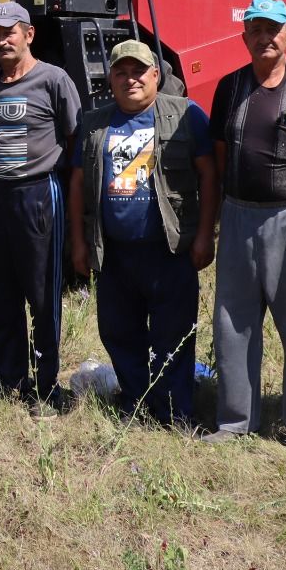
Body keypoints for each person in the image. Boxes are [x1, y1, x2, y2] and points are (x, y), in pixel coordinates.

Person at [197, 0, 286, 453]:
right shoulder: (230, 87)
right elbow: (220, 155)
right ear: (244, 37)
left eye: (273, 29)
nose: (265, 37)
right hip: (240, 214)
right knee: (233, 323)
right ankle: (235, 422)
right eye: (256, 29)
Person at [68, 40, 215, 424]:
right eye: (121, 72)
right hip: (115, 252)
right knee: (118, 332)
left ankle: (175, 411)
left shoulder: (185, 115)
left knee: (174, 336)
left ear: (155, 75)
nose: (130, 79)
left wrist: (204, 236)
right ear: (111, 79)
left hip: (168, 249)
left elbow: (209, 175)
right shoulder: (94, 123)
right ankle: (136, 402)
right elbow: (78, 184)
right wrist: (79, 243)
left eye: (138, 72)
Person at [0, 1, 83, 414]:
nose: (1, 40)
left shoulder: (53, 79)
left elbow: (76, 140)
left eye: (9, 32)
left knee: (42, 295)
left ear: (29, 34)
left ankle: (47, 385)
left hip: (40, 194)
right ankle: (10, 380)